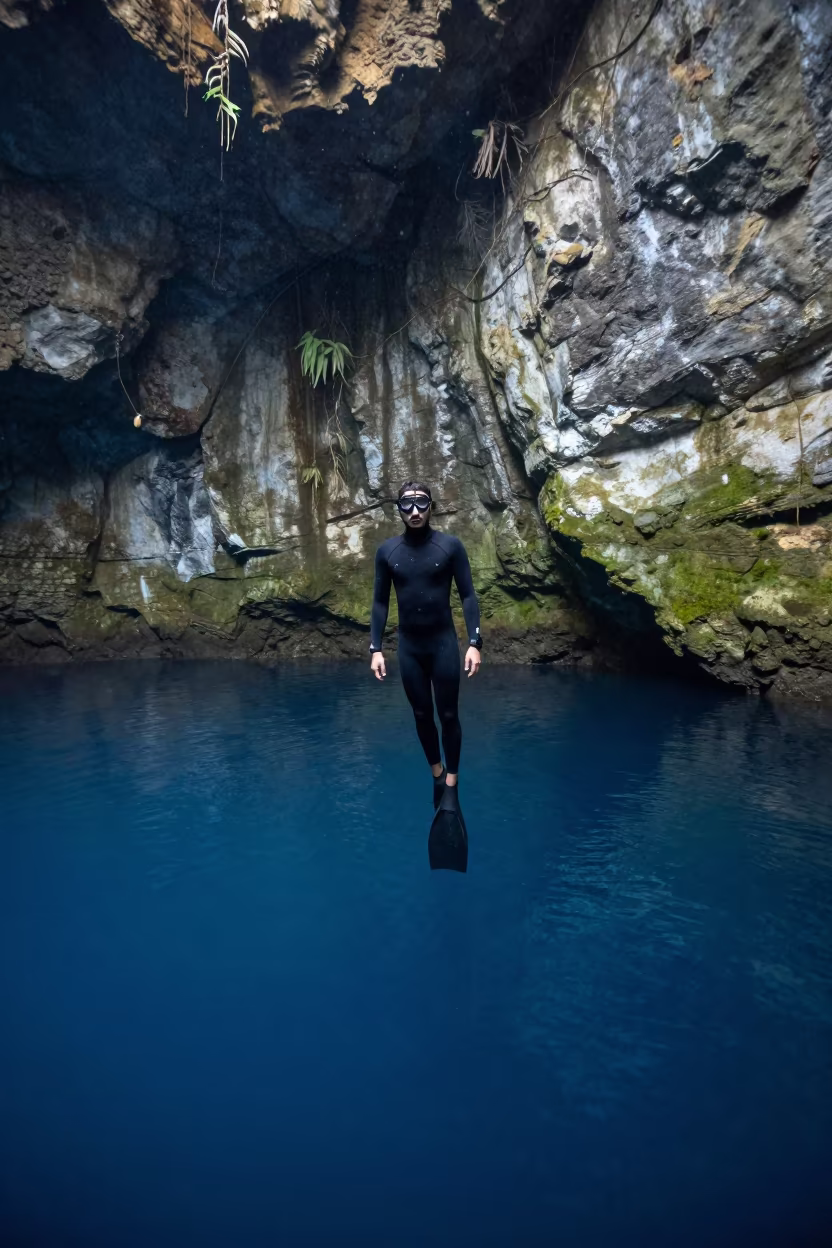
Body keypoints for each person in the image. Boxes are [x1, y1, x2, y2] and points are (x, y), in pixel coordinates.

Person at [369, 481, 482, 811]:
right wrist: (375, 648)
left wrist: (475, 643)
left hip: (443, 644)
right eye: (407, 505)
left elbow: (468, 595)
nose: (415, 511)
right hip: (410, 648)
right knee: (421, 714)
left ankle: (452, 784)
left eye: (421, 504)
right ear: (399, 509)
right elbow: (379, 603)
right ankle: (437, 774)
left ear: (432, 506)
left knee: (448, 714)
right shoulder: (387, 552)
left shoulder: (450, 547)